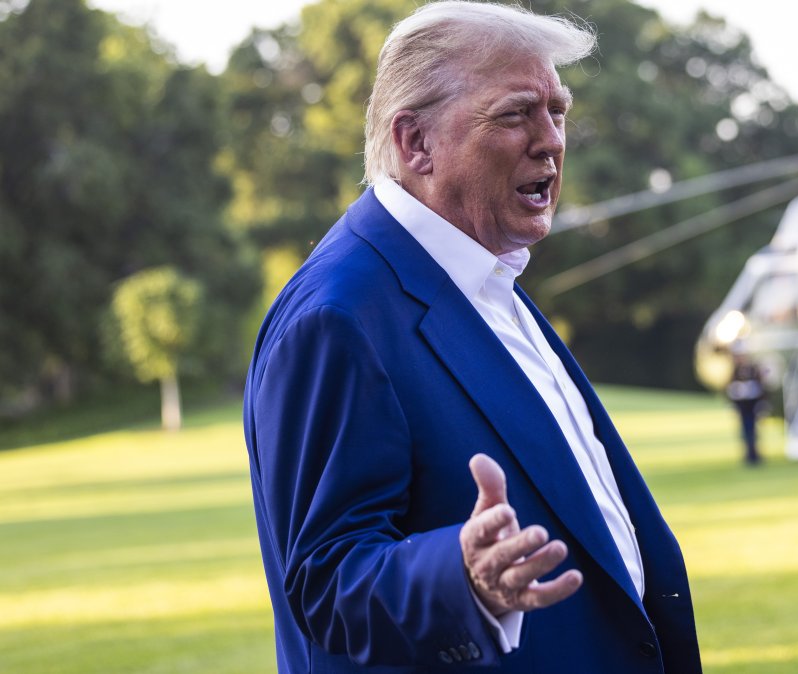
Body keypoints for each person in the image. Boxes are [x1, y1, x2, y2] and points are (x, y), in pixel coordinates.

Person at [241, 2, 701, 673]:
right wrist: (462, 579)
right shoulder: (336, 316)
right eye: (516, 114)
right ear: (415, 142)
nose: (551, 140)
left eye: (558, 111)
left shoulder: (486, 276)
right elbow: (323, 579)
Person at [726, 345, 766, 465]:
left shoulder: (753, 369)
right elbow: (729, 387)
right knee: (745, 430)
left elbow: (762, 386)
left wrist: (762, 402)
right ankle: (748, 454)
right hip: (742, 404)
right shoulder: (735, 371)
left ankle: (754, 454)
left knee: (753, 429)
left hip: (752, 403)